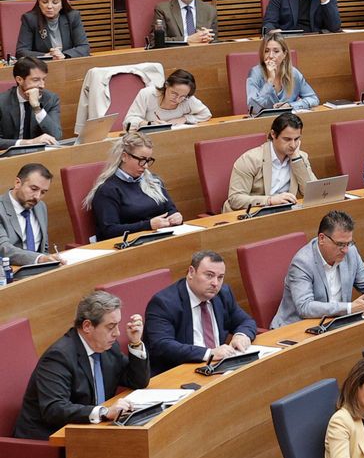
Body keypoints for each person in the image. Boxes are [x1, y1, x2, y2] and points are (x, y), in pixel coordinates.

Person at [12, 290, 149, 439]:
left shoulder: (108, 348)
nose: (117, 333)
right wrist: (104, 412)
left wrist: (135, 343)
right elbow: (54, 409)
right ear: (87, 326)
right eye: (110, 327)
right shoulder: (58, 357)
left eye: (117, 325)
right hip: (48, 442)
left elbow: (137, 381)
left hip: (88, 431)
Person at [143, 250, 258, 374]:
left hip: (217, 367)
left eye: (220, 277)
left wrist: (241, 335)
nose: (215, 283)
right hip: (179, 371)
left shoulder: (223, 294)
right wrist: (209, 353)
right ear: (191, 272)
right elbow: (162, 345)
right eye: (209, 275)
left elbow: (246, 321)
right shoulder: (164, 303)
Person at [271, 210, 364, 328]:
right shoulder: (302, 263)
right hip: (295, 328)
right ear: (322, 238)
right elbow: (305, 307)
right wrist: (349, 308)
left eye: (348, 243)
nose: (345, 250)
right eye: (340, 244)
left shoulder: (350, 252)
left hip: (334, 324)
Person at [84, 132, 182, 240]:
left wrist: (176, 217)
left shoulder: (153, 181)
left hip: (159, 237)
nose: (145, 166)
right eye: (141, 160)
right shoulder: (108, 190)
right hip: (129, 245)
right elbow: (109, 231)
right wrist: (148, 225)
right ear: (124, 157)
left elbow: (170, 209)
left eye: (148, 160)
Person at [224, 112, 315, 212]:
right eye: (287, 139)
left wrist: (296, 160)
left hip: (284, 213)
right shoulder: (250, 159)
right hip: (254, 213)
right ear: (273, 134)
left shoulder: (300, 157)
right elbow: (235, 199)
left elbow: (313, 194)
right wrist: (269, 200)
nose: (293, 145)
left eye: (296, 139)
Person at [246, 31, 321, 114]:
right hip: (264, 122)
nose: (271, 56)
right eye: (266, 51)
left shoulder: (294, 73)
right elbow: (253, 107)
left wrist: (290, 106)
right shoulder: (255, 73)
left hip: (288, 122)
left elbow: (313, 99)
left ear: (284, 54)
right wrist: (270, 81)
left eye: (276, 51)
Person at [1, 163, 58, 265]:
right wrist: (40, 259)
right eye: (34, 189)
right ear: (17, 183)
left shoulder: (40, 207)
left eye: (43, 192)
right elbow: (4, 249)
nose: (37, 197)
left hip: (38, 269)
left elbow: (43, 247)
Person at [0, 57, 62, 149]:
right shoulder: (2, 102)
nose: (42, 85)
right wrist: (30, 142)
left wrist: (37, 108)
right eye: (36, 80)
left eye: (43, 79)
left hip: (39, 154)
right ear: (19, 80)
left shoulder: (50, 99)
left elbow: (56, 135)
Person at [122, 68, 212, 130]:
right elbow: (128, 122)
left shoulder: (187, 99)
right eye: (174, 93)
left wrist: (185, 118)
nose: (177, 99)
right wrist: (148, 124)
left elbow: (206, 114)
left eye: (182, 96)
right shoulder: (147, 94)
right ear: (166, 85)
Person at [16, 0, 89, 60]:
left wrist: (64, 55)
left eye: (55, 2)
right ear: (39, 3)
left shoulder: (72, 17)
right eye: (45, 2)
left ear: (62, 4)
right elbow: (21, 52)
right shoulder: (30, 19)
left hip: (67, 64)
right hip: (42, 66)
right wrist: (46, 56)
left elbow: (84, 47)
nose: (49, 6)